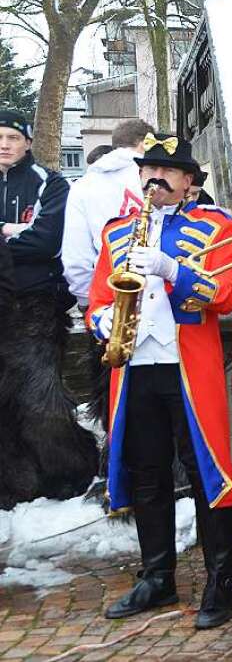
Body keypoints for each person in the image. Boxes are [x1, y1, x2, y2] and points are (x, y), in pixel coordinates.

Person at [87, 133, 232, 630]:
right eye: (147, 171)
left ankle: (224, 580)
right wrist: (104, 321)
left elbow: (227, 295)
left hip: (187, 366)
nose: (155, 179)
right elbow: (95, 300)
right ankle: (157, 576)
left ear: (188, 182)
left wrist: (173, 269)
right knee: (146, 473)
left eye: (167, 172)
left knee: (205, 471)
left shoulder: (216, 226)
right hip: (135, 367)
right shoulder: (117, 231)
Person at [0, 109, 96, 509]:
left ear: (27, 143)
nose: (4, 145)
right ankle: (16, 480)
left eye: (11, 138)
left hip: (36, 304)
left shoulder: (50, 184)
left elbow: (45, 241)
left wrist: (7, 239)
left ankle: (72, 469)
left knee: (39, 398)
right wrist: (10, 235)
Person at [62, 119, 153, 310]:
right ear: (145, 143)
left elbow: (76, 254)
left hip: (104, 291)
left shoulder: (82, 186)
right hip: (158, 290)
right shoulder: (159, 179)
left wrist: (86, 300)